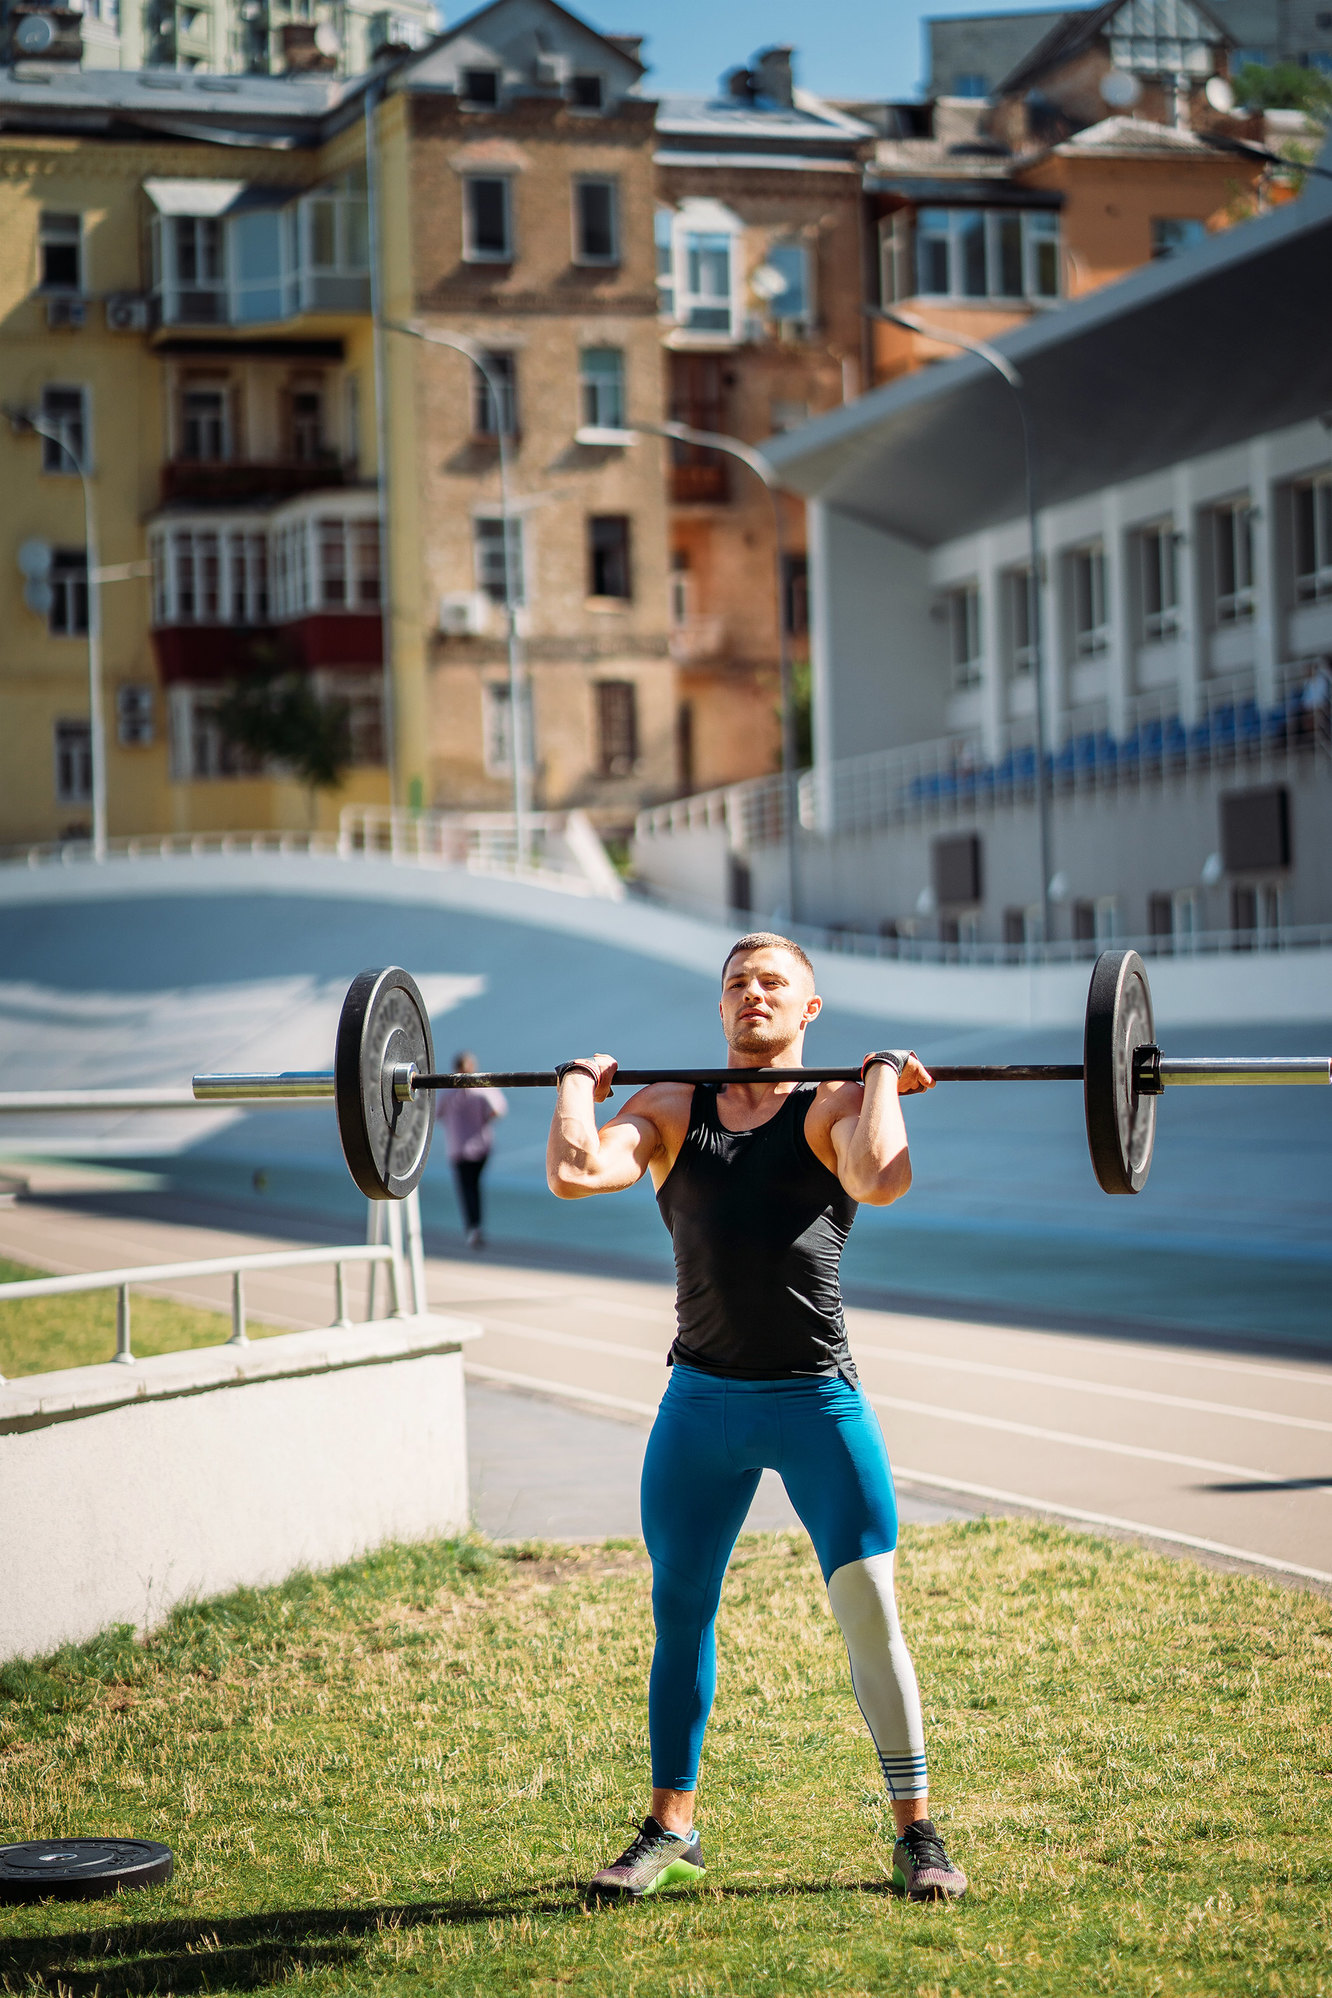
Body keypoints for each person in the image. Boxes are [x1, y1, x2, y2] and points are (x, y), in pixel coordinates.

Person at [546, 931, 967, 1905]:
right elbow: (576, 1171)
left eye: (775, 983)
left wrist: (878, 1087)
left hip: (816, 1398)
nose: (753, 995)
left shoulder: (831, 1108)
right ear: (722, 1005)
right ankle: (668, 1827)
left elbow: (880, 1178)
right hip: (700, 1402)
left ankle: (916, 1833)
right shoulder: (668, 1107)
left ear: (808, 1009)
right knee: (679, 1612)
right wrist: (576, 1081)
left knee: (870, 1614)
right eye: (738, 983)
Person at [437, 1052, 506, 1249]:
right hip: (476, 1145)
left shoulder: (449, 1092)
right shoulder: (481, 1088)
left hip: (463, 1147)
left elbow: (436, 1114)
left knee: (468, 1188)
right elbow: (498, 1109)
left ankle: (473, 1227)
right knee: (473, 1187)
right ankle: (475, 1226)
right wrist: (482, 1118)